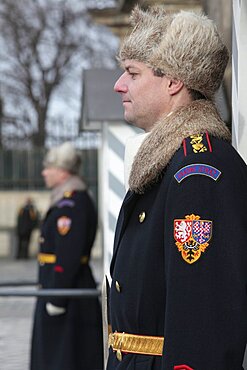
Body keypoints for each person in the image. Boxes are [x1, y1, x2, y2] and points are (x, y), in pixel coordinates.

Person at [106, 6, 247, 370]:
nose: (119, 84)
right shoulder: (170, 163)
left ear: (173, 82)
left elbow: (205, 315)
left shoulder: (199, 173)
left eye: (132, 73)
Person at [30, 142, 103, 370]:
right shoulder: (65, 199)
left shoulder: (72, 203)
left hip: (67, 293)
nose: (44, 172)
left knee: (66, 358)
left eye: (48, 168)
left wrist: (57, 297)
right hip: (57, 287)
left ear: (62, 172)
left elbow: (68, 255)